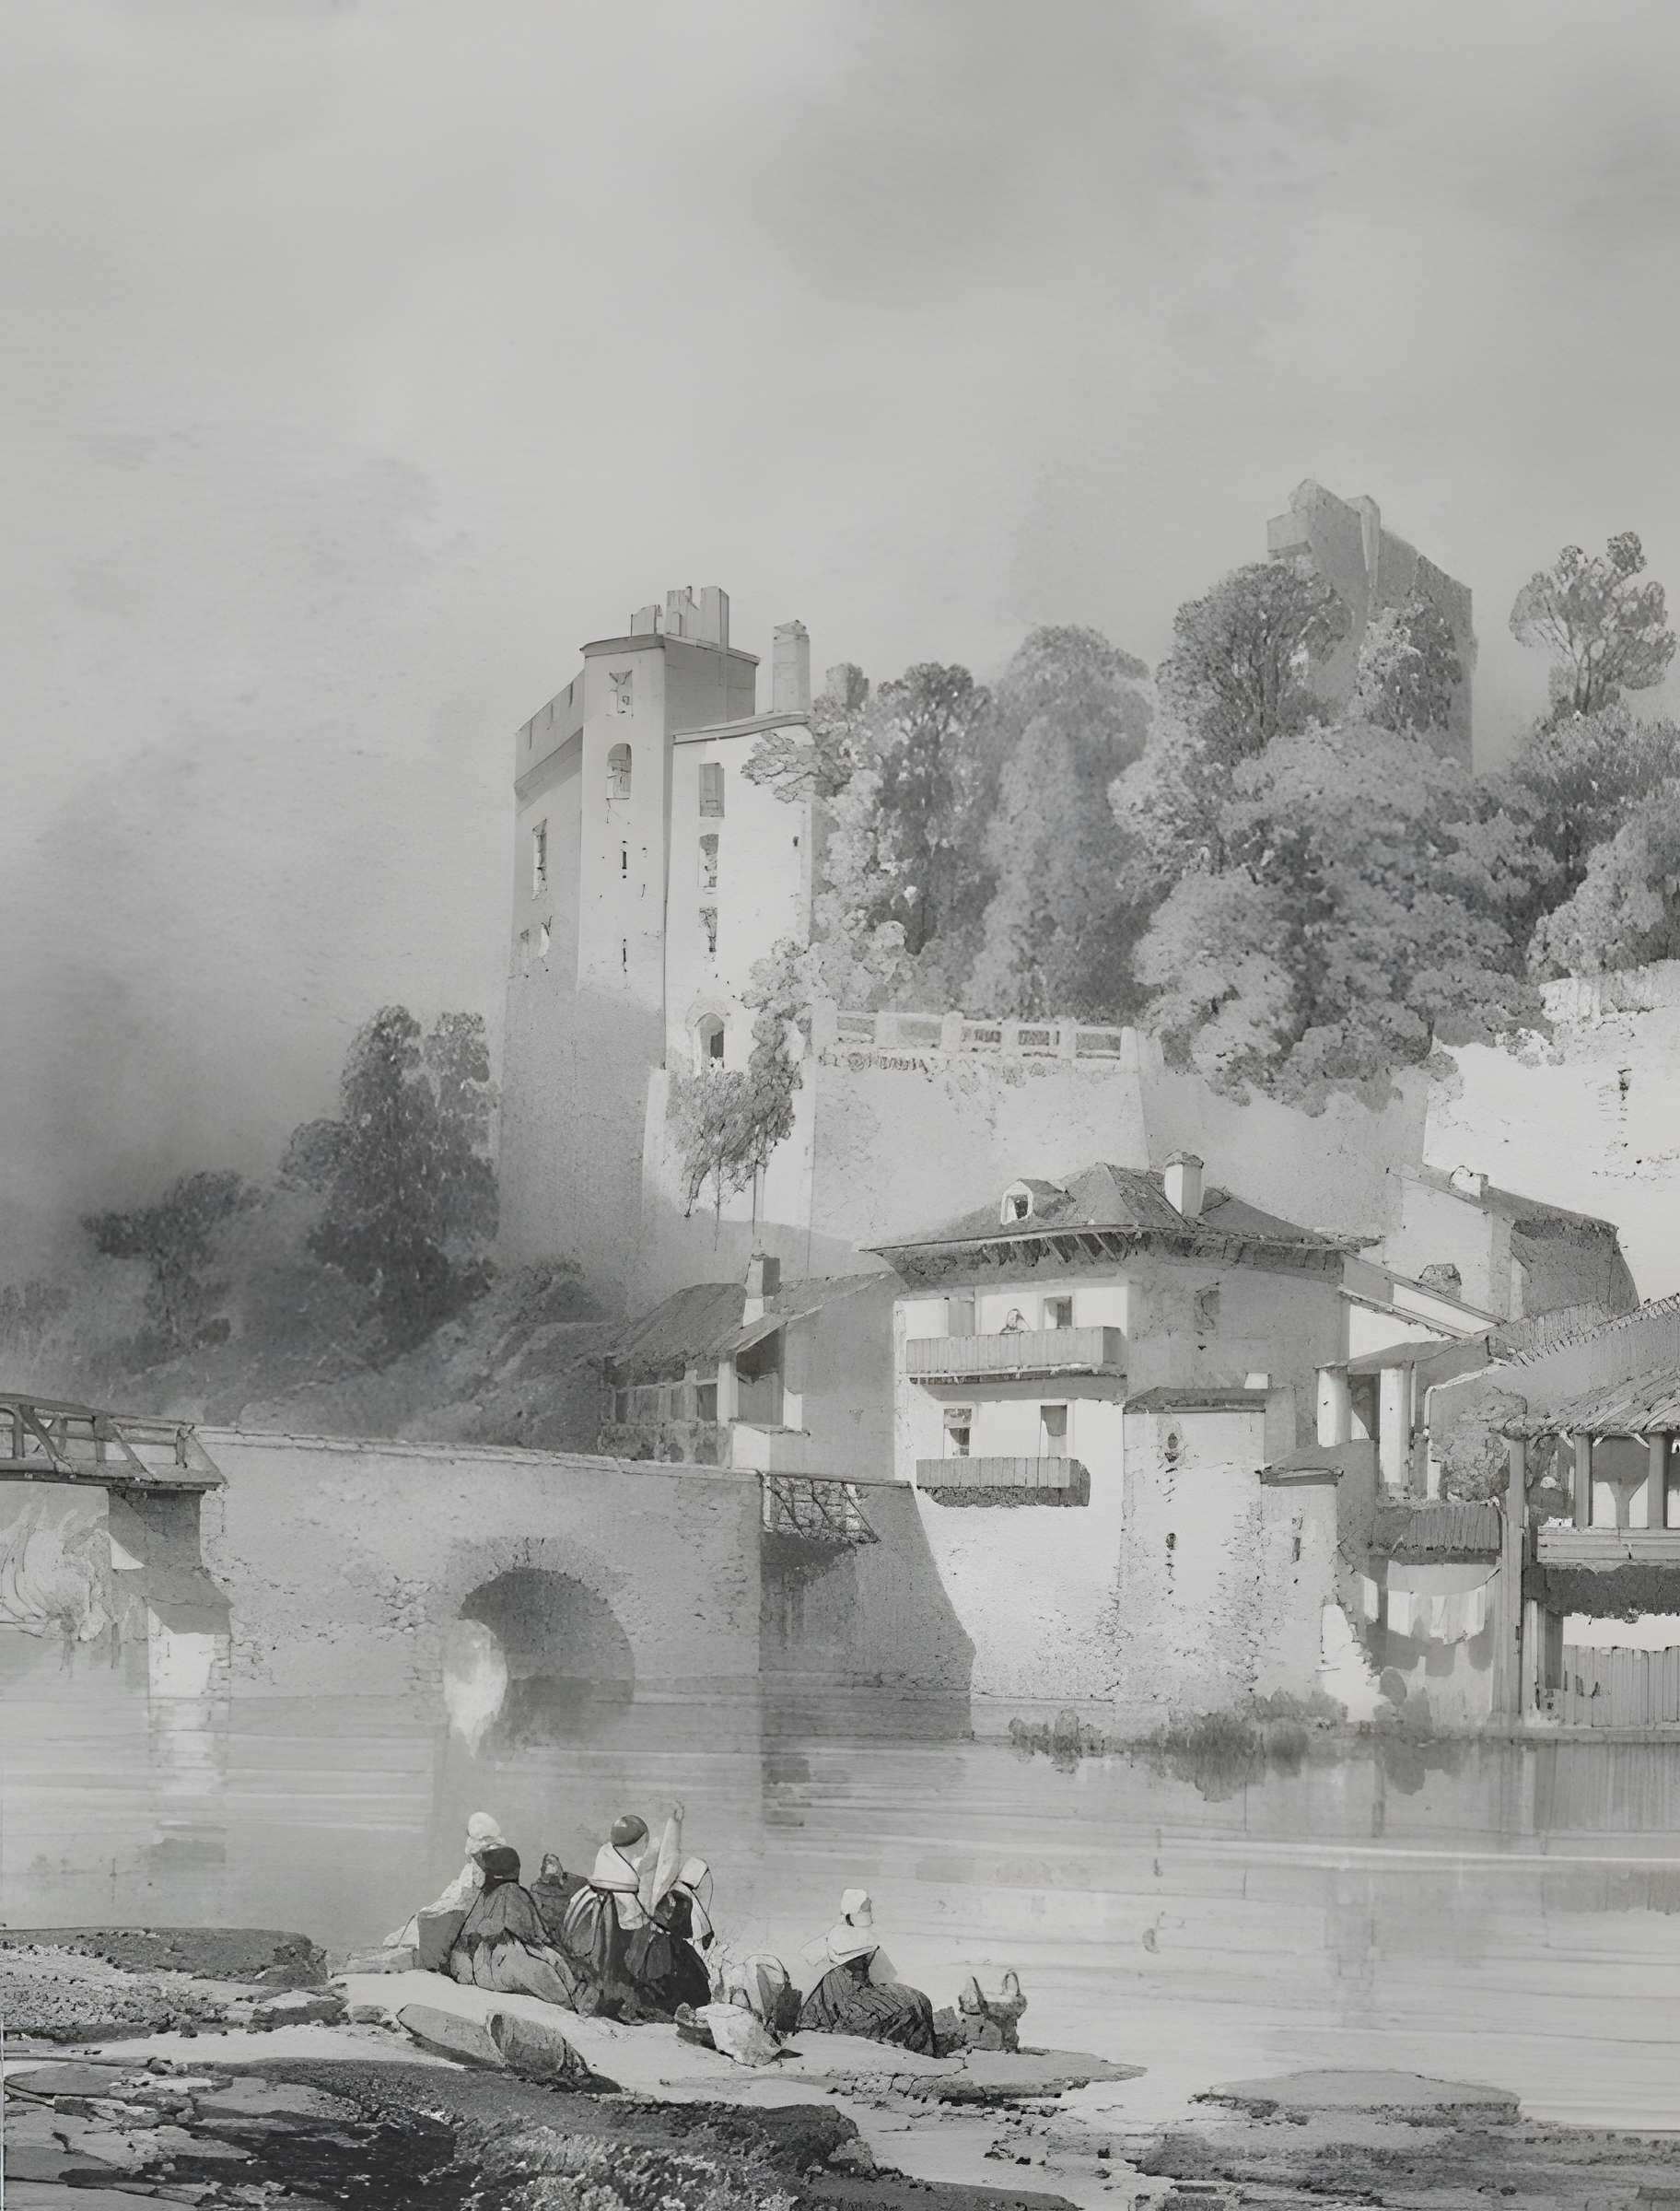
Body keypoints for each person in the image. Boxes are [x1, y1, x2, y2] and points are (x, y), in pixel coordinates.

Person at [796, 1889, 937, 2053]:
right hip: (842, 1995)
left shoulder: (857, 1936)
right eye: (863, 1910)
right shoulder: (838, 1936)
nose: (868, 1914)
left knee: (915, 1999)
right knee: (903, 2008)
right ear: (851, 1914)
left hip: (857, 1989)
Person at [447, 1842, 580, 2006]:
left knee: (553, 1962)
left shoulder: (484, 1893)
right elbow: (531, 1934)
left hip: (465, 1965)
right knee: (551, 1972)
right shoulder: (511, 1890)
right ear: (514, 1869)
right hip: (490, 1960)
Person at [561, 1813, 649, 2018]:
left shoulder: (602, 1876)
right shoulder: (620, 1887)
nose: (646, 1848)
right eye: (644, 1842)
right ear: (636, 1843)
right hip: (601, 1970)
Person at [385, 1811, 504, 1949]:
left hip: (462, 1920)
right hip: (459, 1911)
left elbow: (466, 1901)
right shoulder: (473, 1869)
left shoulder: (485, 1869)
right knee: (422, 1919)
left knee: (424, 1922)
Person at [624, 1852, 714, 2018]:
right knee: (671, 1975)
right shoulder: (682, 1895)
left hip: (654, 1936)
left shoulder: (670, 1889)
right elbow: (691, 1925)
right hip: (663, 1940)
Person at [531, 1851, 585, 1948]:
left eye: (552, 1863)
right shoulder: (536, 1889)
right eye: (547, 1863)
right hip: (549, 1933)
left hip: (566, 1931)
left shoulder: (570, 1882)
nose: (549, 1866)